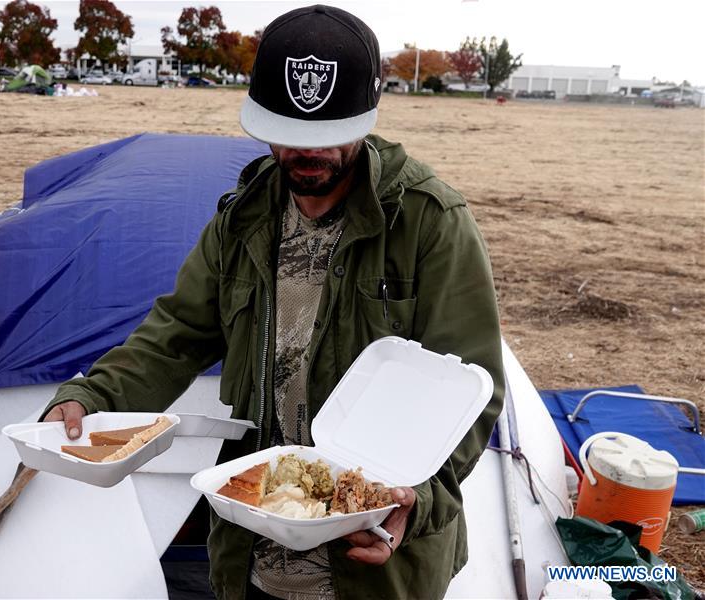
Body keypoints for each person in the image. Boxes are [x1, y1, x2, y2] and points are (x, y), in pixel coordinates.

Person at [43, 5, 504, 599]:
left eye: (326, 136)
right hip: (253, 553)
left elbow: (473, 390)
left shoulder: (428, 223)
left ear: (366, 118)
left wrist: (421, 499)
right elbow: (175, 334)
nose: (305, 153)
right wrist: (92, 396)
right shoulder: (244, 219)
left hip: (374, 565)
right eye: (287, 135)